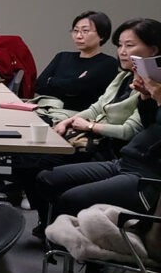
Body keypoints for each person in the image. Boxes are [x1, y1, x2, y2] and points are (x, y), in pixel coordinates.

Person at [36, 18, 161, 223]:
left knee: (69, 196)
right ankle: (54, 232)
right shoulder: (128, 77)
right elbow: (146, 123)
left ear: (154, 49)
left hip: (144, 173)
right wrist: (147, 97)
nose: (122, 51)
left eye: (129, 45)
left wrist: (90, 126)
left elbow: (132, 129)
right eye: (120, 45)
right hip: (125, 160)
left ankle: (69, 241)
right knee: (46, 178)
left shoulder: (154, 83)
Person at [34, 11, 117, 115]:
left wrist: (51, 81)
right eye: (75, 31)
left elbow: (77, 88)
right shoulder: (62, 56)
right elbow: (39, 85)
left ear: (102, 36)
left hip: (78, 117)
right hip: (47, 111)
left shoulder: (108, 63)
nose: (78, 36)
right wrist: (72, 84)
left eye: (85, 31)